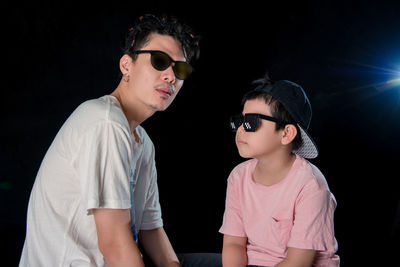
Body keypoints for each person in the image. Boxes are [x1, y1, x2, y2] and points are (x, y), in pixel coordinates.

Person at [19, 14, 220, 267]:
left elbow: (151, 229)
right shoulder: (105, 123)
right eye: (159, 61)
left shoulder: (142, 142)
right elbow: (114, 244)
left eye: (180, 69)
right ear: (127, 65)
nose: (171, 76)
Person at [219, 73, 340, 267]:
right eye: (239, 120)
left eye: (251, 121)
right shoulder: (238, 176)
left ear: (286, 133)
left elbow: (298, 262)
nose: (241, 129)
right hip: (252, 261)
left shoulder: (311, 187)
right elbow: (233, 243)